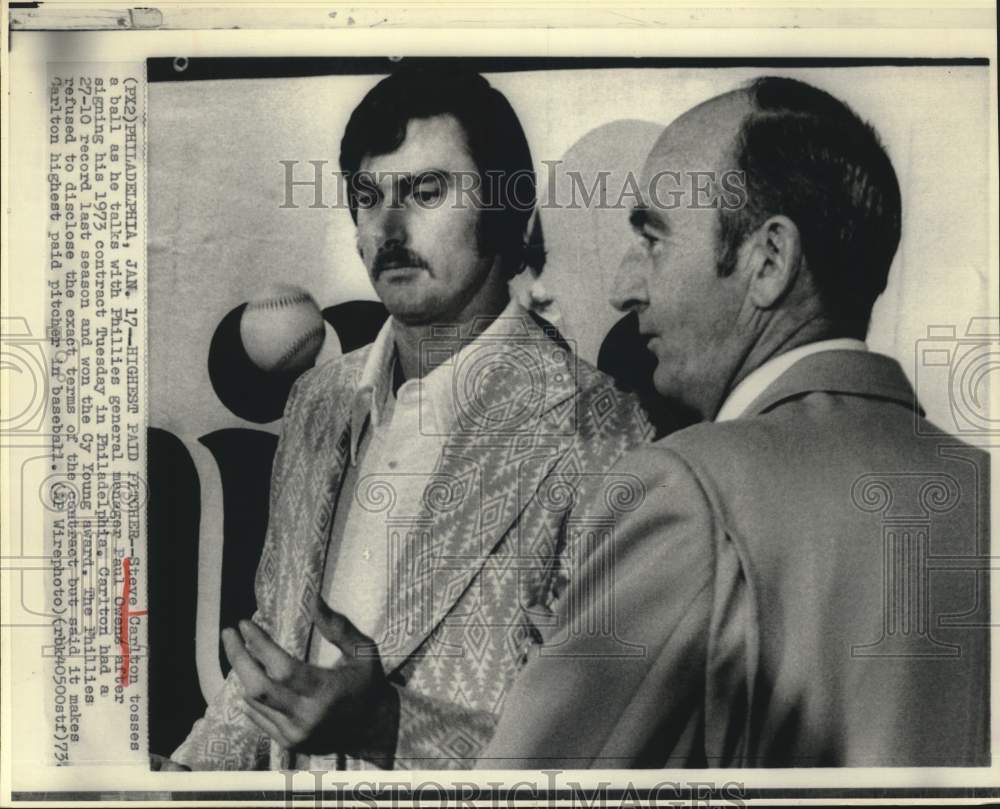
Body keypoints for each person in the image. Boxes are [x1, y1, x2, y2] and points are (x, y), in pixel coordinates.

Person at [478, 76, 989, 768]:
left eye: (653, 239)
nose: (624, 287)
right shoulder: (981, 488)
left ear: (768, 261)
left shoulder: (687, 493)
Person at [165, 66, 651, 771]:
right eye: (368, 197)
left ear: (504, 208)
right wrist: (181, 779)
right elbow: (279, 652)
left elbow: (601, 737)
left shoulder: (605, 429)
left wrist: (389, 725)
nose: (389, 226)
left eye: (426, 191)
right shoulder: (319, 400)